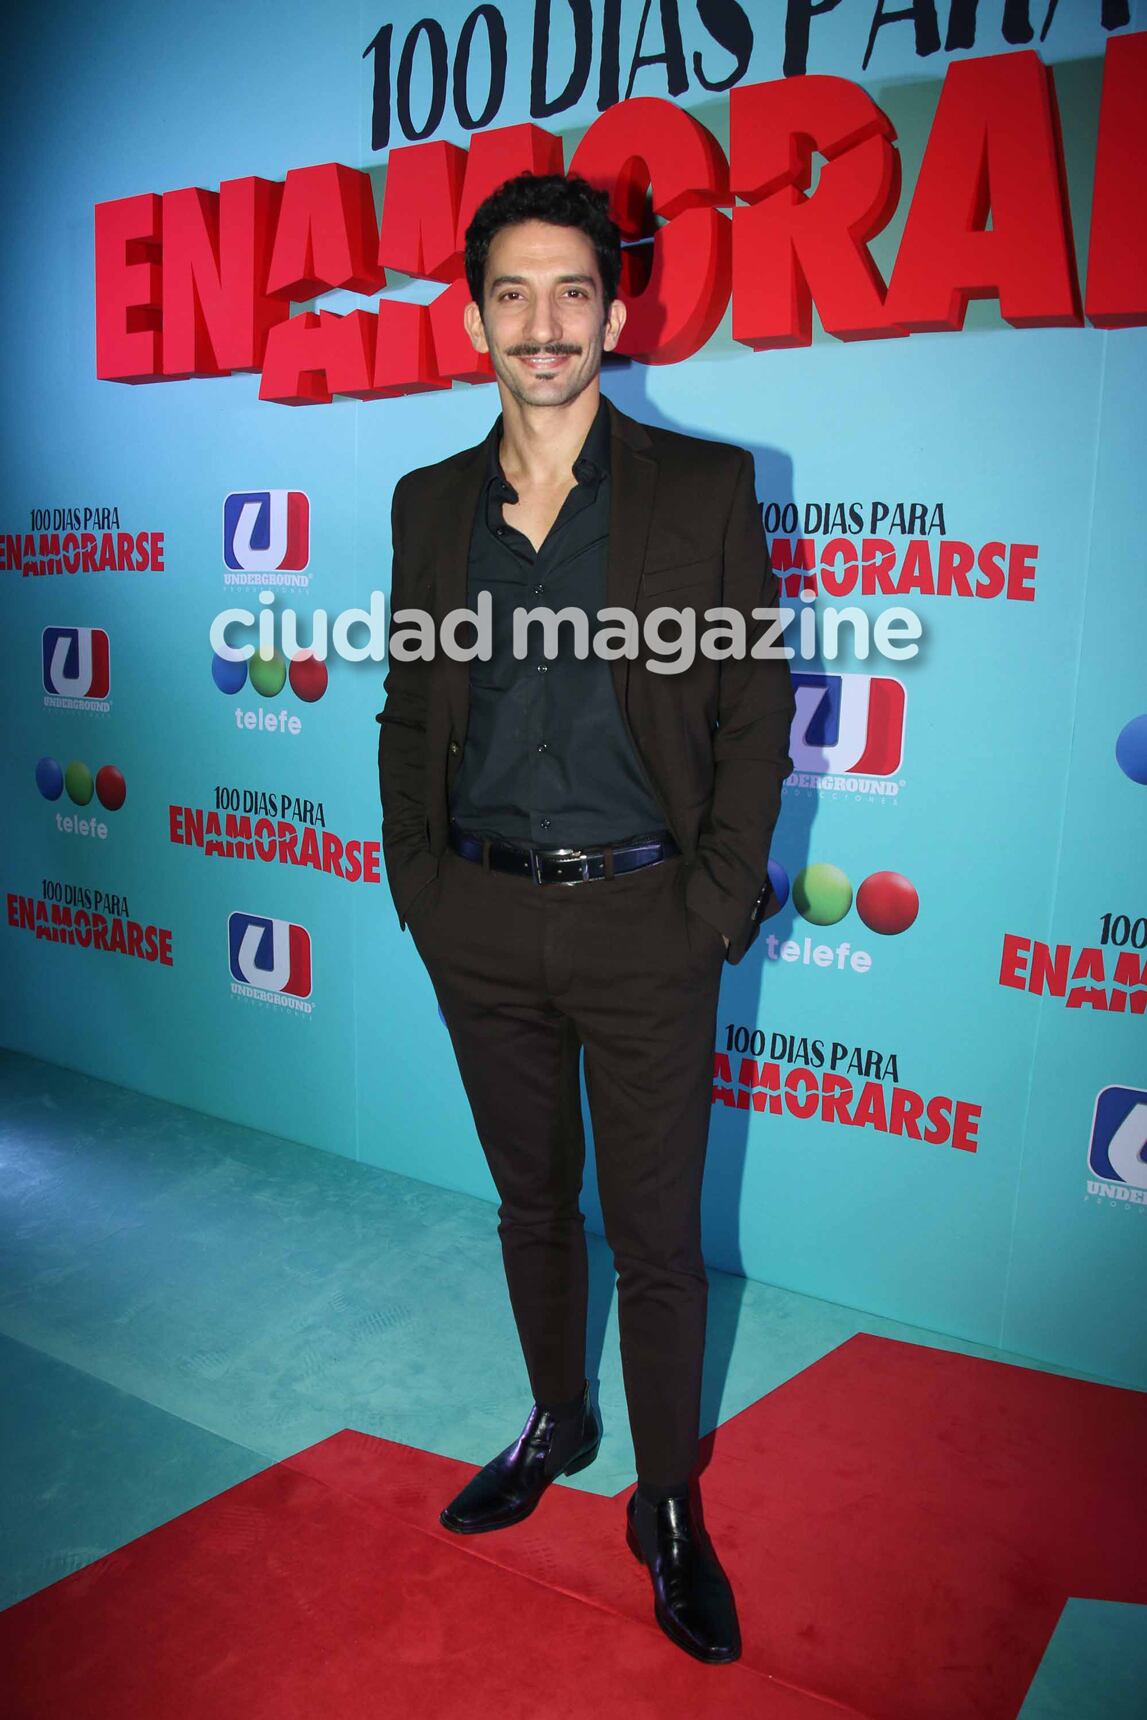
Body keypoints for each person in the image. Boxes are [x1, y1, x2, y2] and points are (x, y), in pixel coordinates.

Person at [375, 171, 794, 1665]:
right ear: (474, 315)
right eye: (511, 293)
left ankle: (666, 1504)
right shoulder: (430, 505)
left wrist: (714, 905)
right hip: (477, 913)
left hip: (644, 924)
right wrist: (418, 886)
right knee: (532, 1206)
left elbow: (755, 710)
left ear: (616, 312)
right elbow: (412, 700)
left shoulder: (707, 489)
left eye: (570, 292)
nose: (542, 324)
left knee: (661, 1241)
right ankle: (558, 1417)